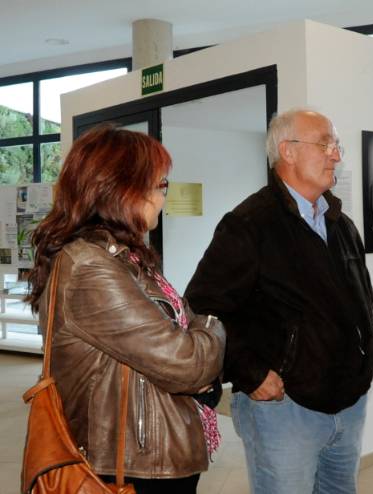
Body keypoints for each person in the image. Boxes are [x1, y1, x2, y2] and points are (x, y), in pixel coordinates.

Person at [184, 108, 373, 494]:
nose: (335, 155)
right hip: (284, 408)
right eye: (325, 144)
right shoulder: (249, 224)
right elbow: (203, 308)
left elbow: (364, 300)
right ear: (287, 151)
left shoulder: (340, 223)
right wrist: (250, 373)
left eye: (336, 146)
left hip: (349, 402)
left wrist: (367, 357)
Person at [26, 125, 226, 494]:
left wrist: (193, 345)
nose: (163, 197)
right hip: (131, 466)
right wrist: (213, 326)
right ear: (123, 189)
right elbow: (186, 363)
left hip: (148, 451)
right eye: (160, 185)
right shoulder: (90, 266)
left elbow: (176, 341)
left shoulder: (123, 257)